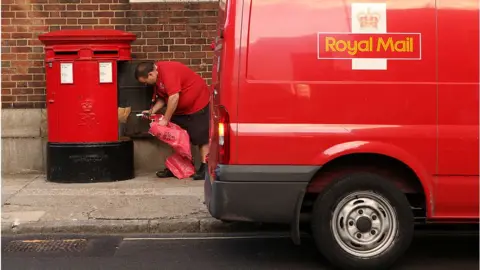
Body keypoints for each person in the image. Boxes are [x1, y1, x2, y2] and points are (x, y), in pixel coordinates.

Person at [134, 61, 210, 180]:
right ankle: (179, 167)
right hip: (180, 110)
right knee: (176, 138)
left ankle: (205, 168)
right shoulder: (157, 79)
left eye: (145, 82)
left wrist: (165, 119)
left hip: (198, 105)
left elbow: (174, 97)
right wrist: (152, 111)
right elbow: (163, 98)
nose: (146, 85)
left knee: (201, 137)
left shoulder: (168, 72)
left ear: (150, 75)